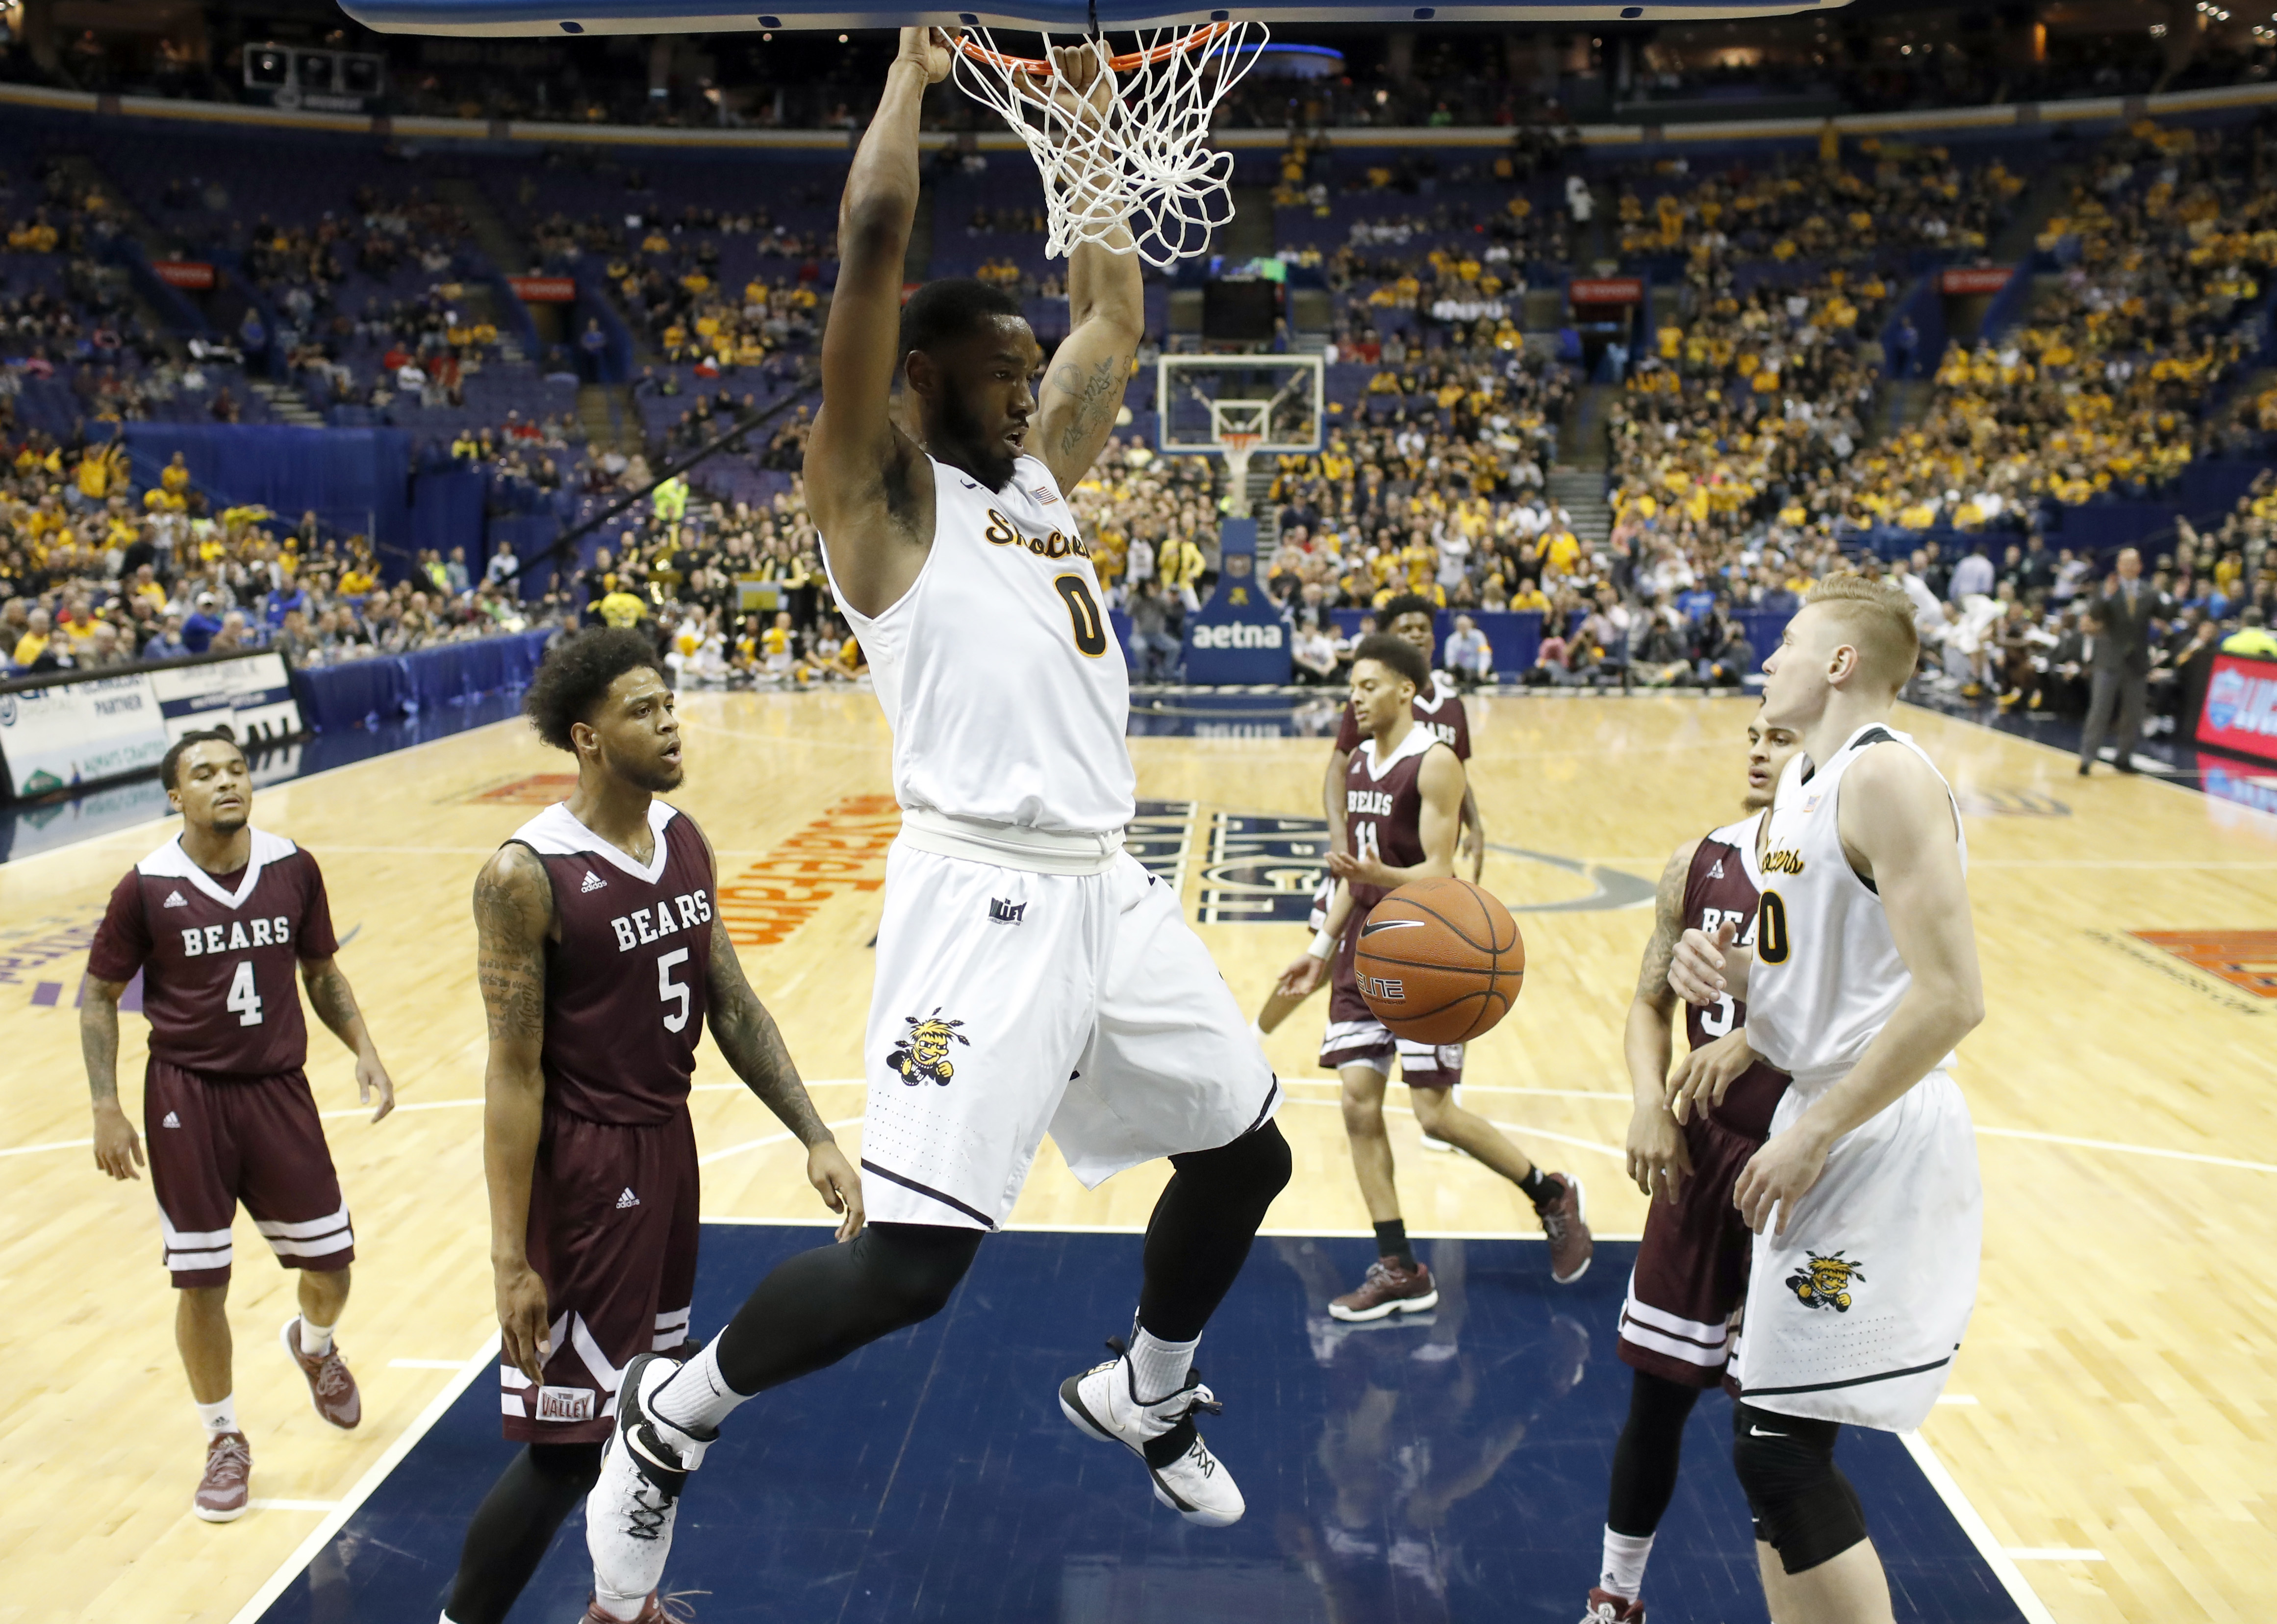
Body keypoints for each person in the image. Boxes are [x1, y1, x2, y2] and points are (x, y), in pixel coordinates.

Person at [578, 33, 1293, 1621]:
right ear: (917, 380)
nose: (1033, 376)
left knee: (1247, 1149)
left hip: (1101, 886)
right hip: (978, 900)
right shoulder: (874, 500)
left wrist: (1092, 136)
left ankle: (1145, 1391)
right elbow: (871, 244)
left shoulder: (1038, 477)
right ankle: (669, 1422)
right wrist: (910, 63)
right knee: (909, 1271)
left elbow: (1114, 309)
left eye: (1028, 366)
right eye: (997, 364)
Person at [442, 630, 857, 1624]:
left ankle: (623, 1606)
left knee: (650, 1420)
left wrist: (814, 1133)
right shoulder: (525, 874)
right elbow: (512, 1076)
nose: (670, 721)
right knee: (566, 1450)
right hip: (587, 1172)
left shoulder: (683, 837)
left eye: (670, 702)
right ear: (587, 738)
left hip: (668, 1156)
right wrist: (510, 1257)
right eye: (643, 708)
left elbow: (734, 1002)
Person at [1667, 574, 1983, 1624]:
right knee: (1770, 1449)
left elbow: (1950, 1001)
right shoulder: (1805, 783)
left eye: (1789, 642)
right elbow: (1823, 978)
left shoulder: (1885, 779)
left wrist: (1815, 1132)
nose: (1770, 659)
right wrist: (1726, 980)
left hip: (1871, 1133)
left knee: (1780, 1454)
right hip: (1822, 1117)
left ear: (1840, 664)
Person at [82, 728, 396, 1522]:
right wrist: (106, 1104)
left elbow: (321, 970)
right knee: (202, 1278)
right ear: (174, 795)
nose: (227, 782)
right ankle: (223, 1437)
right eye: (205, 773)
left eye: (236, 768)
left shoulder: (292, 866)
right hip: (187, 1096)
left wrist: (364, 1048)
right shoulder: (146, 885)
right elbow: (96, 995)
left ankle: (314, 1346)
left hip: (278, 1091)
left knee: (331, 1264)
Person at [1273, 633, 1590, 1317]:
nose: (1353, 698)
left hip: (1429, 951)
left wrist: (1376, 877)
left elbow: (1439, 874)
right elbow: (1351, 880)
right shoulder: (1359, 762)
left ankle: (1549, 1192)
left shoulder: (1437, 762)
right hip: (1364, 946)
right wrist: (1322, 949)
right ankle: (1399, 1267)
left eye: (1365, 686)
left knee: (1433, 1114)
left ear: (1404, 692)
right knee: (1357, 1104)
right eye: (1351, 687)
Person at [1583, 711, 1800, 1624]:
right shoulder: (1696, 860)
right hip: (1700, 1154)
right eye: (1753, 732)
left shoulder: (1847, 869)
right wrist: (1645, 1103)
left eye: (1780, 736)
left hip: (1797, 1163)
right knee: (1657, 1396)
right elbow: (1646, 1002)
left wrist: (1755, 1039)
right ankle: (1614, 1597)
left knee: (1779, 1434)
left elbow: (1867, 1008)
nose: (1757, 749)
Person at [1250, 592, 1484, 1053]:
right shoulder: (1371, 700)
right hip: (1362, 856)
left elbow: (1457, 773)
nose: (1416, 634)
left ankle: (1433, 1086)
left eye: (1423, 626)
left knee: (1430, 972)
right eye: (1405, 629)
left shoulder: (1451, 705)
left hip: (1409, 870)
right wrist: (1344, 839)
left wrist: (1475, 824)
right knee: (1327, 951)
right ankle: (1253, 1038)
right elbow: (1340, 769)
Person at [2078, 546, 2154, 775]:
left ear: (2140, 566)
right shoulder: (2107, 588)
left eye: (2134, 563)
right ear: (2119, 566)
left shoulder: (2149, 591)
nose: (2130, 567)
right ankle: (2087, 758)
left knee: (2133, 714)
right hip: (2109, 660)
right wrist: (2108, 596)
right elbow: (2095, 614)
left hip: (2137, 661)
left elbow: (2164, 613)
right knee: (2099, 711)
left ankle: (2124, 757)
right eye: (2125, 563)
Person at [1443, 612, 1493, 685]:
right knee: (1447, 679)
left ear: (1471, 625)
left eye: (1465, 626)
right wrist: (1454, 673)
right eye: (1460, 626)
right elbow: (1450, 659)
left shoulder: (1479, 636)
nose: (1463, 628)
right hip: (1460, 673)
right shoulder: (1452, 640)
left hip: (1477, 672)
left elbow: (1485, 654)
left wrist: (1483, 670)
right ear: (1456, 627)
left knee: (1493, 679)